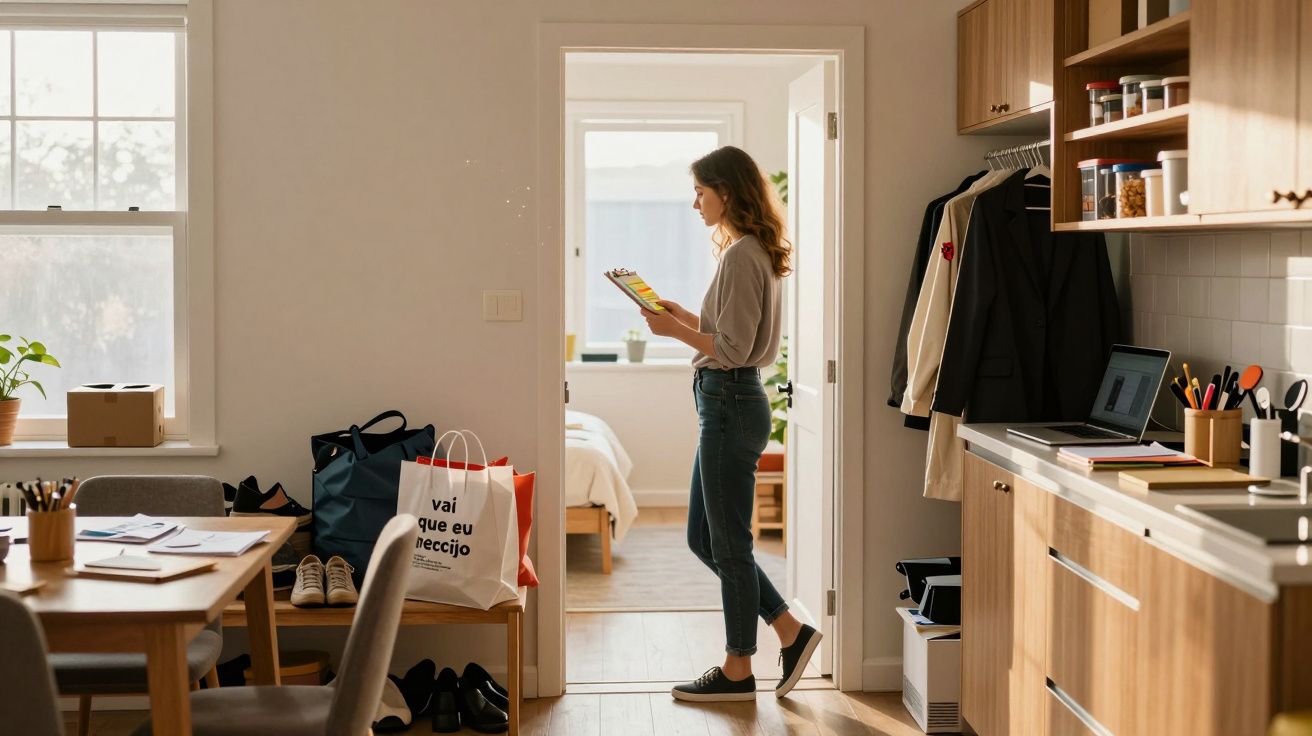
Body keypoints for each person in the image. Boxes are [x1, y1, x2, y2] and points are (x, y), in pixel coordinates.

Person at [642, 145, 821, 702]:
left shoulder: (743, 254)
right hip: (727, 401)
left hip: (729, 402)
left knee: (729, 546)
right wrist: (685, 316)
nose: (695, 203)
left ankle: (738, 669)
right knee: (704, 537)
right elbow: (729, 331)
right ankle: (789, 630)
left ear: (726, 191)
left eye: (700, 192)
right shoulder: (749, 250)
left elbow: (735, 348)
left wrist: (674, 333)